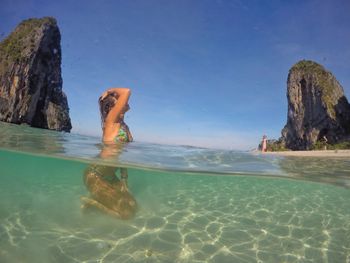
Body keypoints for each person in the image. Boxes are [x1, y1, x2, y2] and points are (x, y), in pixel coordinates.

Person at [81, 87, 136, 219]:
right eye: (119, 101)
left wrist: (124, 179)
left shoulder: (124, 126)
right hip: (96, 176)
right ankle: (94, 202)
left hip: (111, 177)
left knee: (133, 204)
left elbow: (124, 155)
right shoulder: (111, 121)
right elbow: (127, 91)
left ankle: (100, 197)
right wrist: (110, 90)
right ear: (112, 108)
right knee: (126, 214)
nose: (124, 103)